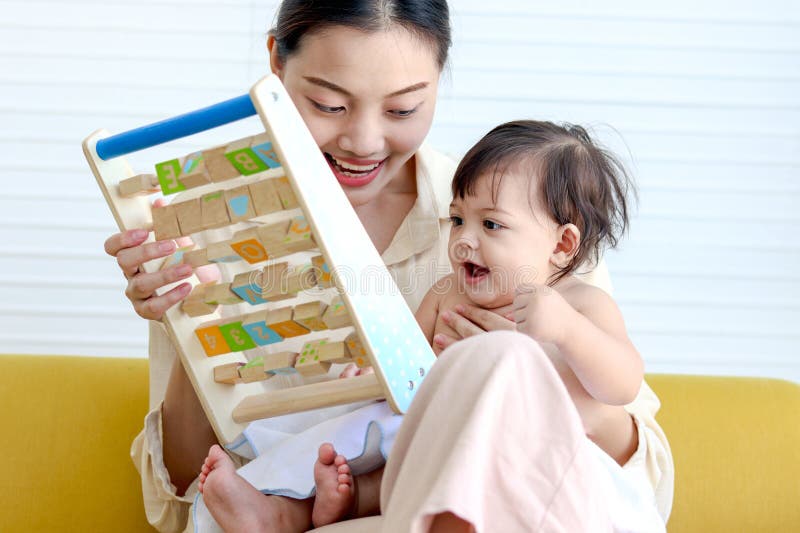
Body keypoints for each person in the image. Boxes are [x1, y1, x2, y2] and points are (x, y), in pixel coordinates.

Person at [101, 1, 614, 531]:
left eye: (402, 110)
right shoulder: (211, 230)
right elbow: (183, 498)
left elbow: (629, 466)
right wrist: (191, 321)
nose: (363, 142)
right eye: (328, 104)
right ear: (276, 62)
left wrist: (517, 376)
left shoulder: (528, 220)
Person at [196, 121, 674, 532]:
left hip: (525, 457)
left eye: (491, 225)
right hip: (429, 445)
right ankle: (286, 511)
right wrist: (372, 378)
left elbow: (622, 382)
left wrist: (567, 331)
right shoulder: (448, 293)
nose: (464, 240)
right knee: (377, 435)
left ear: (563, 244)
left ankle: (353, 500)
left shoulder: (580, 304)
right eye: (457, 219)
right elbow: (404, 360)